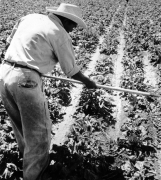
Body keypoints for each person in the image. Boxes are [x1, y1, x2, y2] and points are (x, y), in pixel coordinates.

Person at [0, 3, 97, 180]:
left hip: (4, 73)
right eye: (73, 24)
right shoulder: (60, 34)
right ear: (66, 20)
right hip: (26, 80)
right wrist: (88, 82)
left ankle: (26, 159)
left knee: (19, 124)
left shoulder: (29, 18)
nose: (74, 29)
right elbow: (71, 71)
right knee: (39, 133)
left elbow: (9, 41)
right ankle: (33, 175)